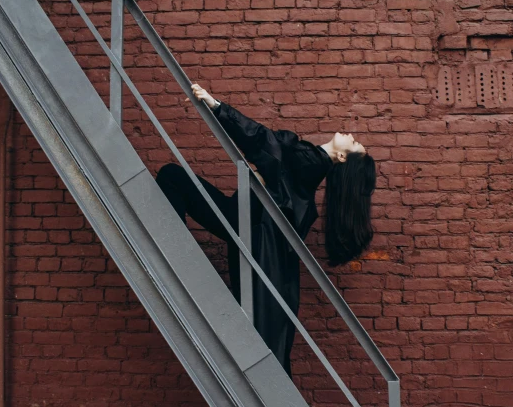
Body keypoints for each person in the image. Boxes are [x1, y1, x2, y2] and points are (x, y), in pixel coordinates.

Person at [155, 84, 376, 377]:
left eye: (355, 145)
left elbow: (262, 140)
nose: (352, 137)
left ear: (344, 158)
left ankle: (174, 258)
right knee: (173, 177)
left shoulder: (307, 162)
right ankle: (174, 256)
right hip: (246, 227)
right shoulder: (306, 160)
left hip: (248, 230)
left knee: (172, 177)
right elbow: (269, 147)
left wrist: (217, 106)